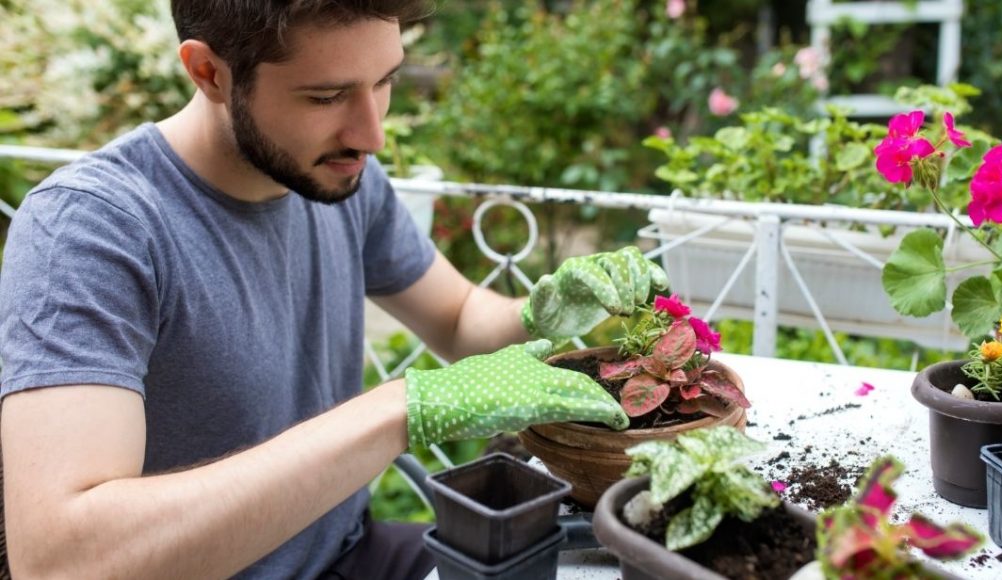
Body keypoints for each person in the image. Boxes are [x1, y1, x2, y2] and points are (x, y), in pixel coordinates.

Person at [0, 1, 668, 578]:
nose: (371, 134)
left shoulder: (336, 176)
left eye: (385, 81)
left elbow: (460, 318)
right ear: (208, 72)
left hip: (349, 552)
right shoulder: (93, 227)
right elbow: (60, 561)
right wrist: (403, 409)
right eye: (325, 97)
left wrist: (543, 312)